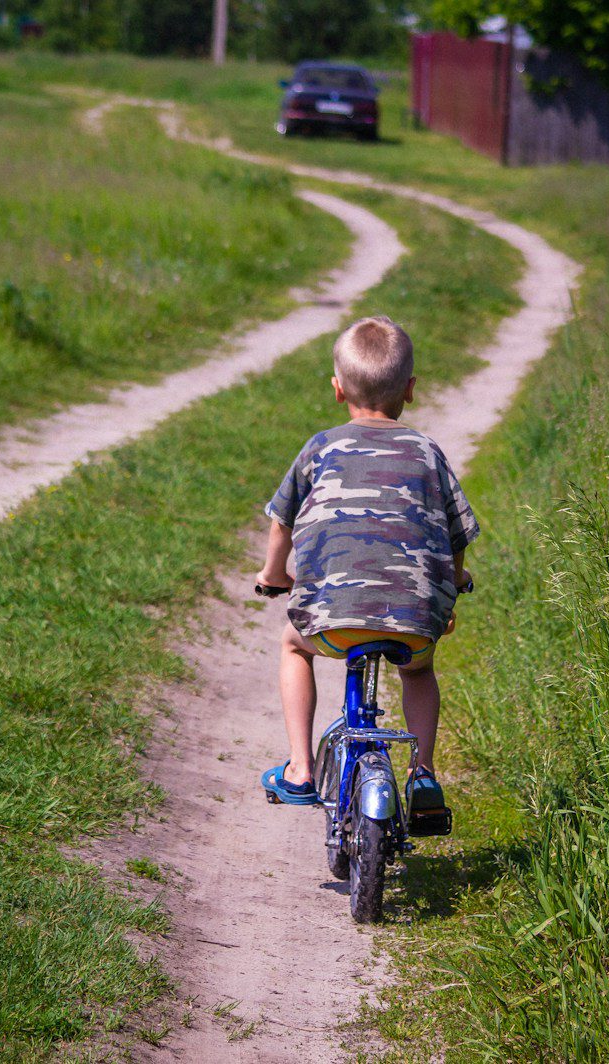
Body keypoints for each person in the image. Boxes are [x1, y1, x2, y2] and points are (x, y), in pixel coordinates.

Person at [255, 315, 475, 815]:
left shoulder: (320, 446)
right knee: (418, 672)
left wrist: (273, 576)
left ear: (337, 390)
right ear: (411, 390)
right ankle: (423, 776)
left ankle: (300, 769)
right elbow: (458, 532)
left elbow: (281, 524)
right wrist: (451, 586)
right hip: (413, 625)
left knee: (293, 646)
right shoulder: (427, 451)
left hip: (332, 622)